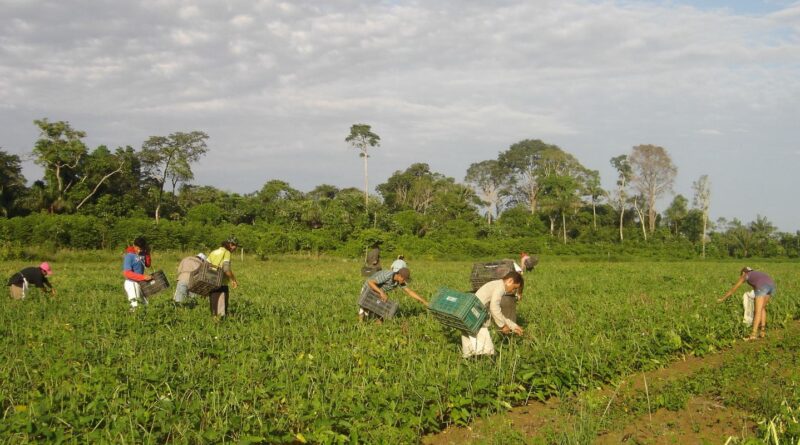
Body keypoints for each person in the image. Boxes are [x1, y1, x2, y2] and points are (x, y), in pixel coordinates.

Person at [462, 271, 525, 358]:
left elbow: (496, 312)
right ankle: (484, 365)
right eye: (514, 288)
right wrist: (502, 326)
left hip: (468, 314)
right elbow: (494, 308)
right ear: (509, 281)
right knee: (488, 352)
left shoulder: (496, 284)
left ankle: (469, 362)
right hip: (476, 317)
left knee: (469, 349)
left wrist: (513, 326)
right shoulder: (500, 287)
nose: (513, 291)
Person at [718, 267, 776, 340]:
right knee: (762, 308)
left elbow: (734, 289)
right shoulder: (756, 274)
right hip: (772, 285)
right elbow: (757, 288)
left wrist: (722, 299)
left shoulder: (746, 275)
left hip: (762, 286)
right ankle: (762, 331)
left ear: (743, 273)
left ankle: (753, 334)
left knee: (757, 311)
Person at [358, 267, 427, 322]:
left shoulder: (398, 281)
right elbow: (370, 282)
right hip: (368, 288)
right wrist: (381, 292)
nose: (404, 281)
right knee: (364, 308)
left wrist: (423, 301)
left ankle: (377, 329)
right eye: (404, 279)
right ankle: (360, 326)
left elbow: (409, 291)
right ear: (400, 276)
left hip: (378, 292)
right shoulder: (387, 275)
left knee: (380, 312)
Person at [206, 238, 239, 317]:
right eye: (235, 246)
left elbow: (206, 265)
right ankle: (219, 325)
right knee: (221, 309)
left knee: (214, 306)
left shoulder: (213, 252)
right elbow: (226, 269)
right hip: (221, 283)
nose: (235, 249)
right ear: (231, 245)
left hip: (211, 280)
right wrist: (233, 280)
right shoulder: (226, 252)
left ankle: (214, 323)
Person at [122, 237, 152, 310]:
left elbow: (147, 264)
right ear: (133, 245)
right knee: (135, 305)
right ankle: (132, 320)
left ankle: (143, 320)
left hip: (140, 282)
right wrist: (143, 277)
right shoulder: (129, 256)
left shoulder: (143, 254)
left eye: (141, 249)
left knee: (146, 304)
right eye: (137, 248)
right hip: (131, 283)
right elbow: (127, 273)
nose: (139, 251)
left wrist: (147, 253)